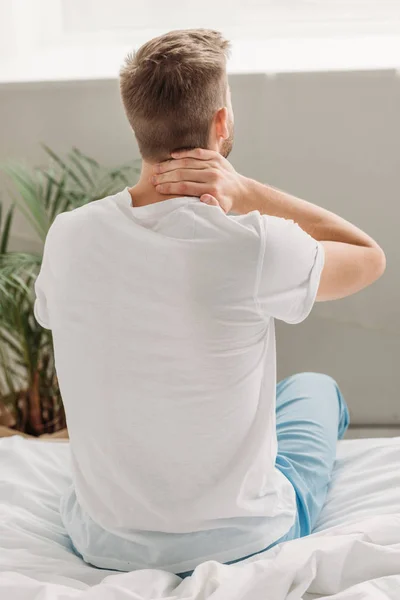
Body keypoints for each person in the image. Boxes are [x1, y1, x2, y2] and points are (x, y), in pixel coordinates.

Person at [33, 29, 386, 578]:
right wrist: (247, 191)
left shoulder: (69, 236)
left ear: (138, 126)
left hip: (101, 540)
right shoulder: (253, 242)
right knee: (314, 389)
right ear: (220, 123)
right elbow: (368, 256)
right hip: (244, 537)